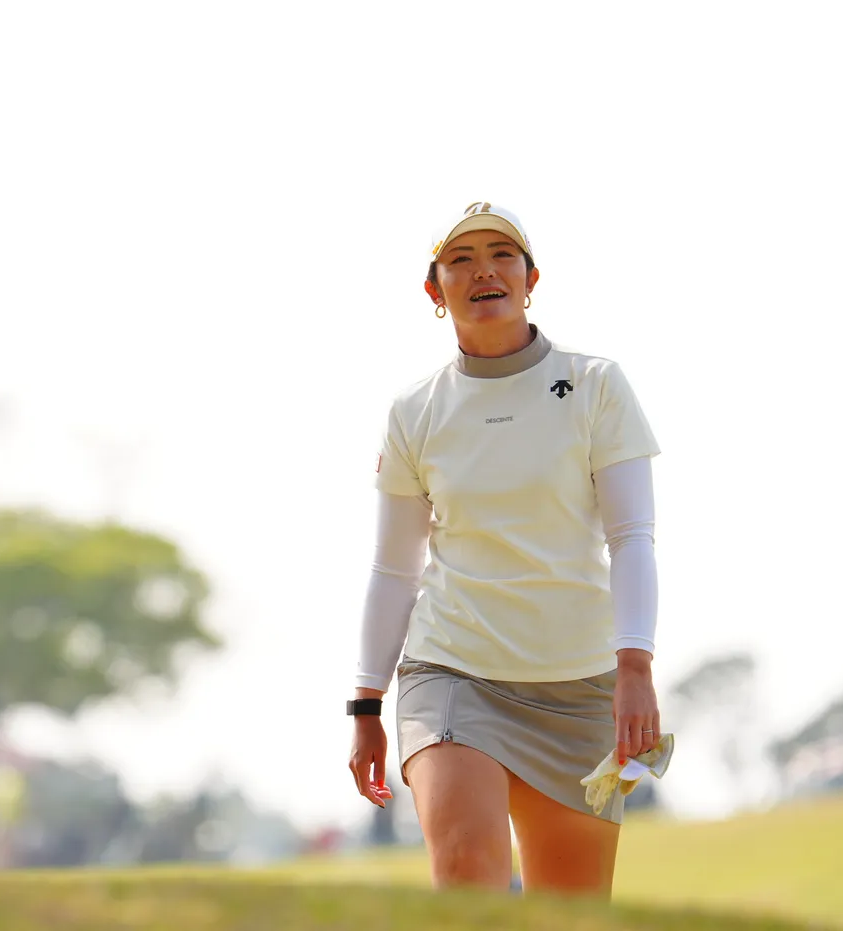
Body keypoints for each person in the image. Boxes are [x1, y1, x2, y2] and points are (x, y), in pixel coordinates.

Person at [346, 201, 662, 899]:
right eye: (460, 259)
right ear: (434, 289)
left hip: (579, 686)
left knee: (569, 912)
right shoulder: (415, 410)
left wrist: (635, 665)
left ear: (530, 278)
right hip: (453, 671)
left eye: (501, 255)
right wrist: (366, 703)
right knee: (467, 874)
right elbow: (394, 569)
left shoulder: (596, 384)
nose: (483, 270)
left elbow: (631, 536)